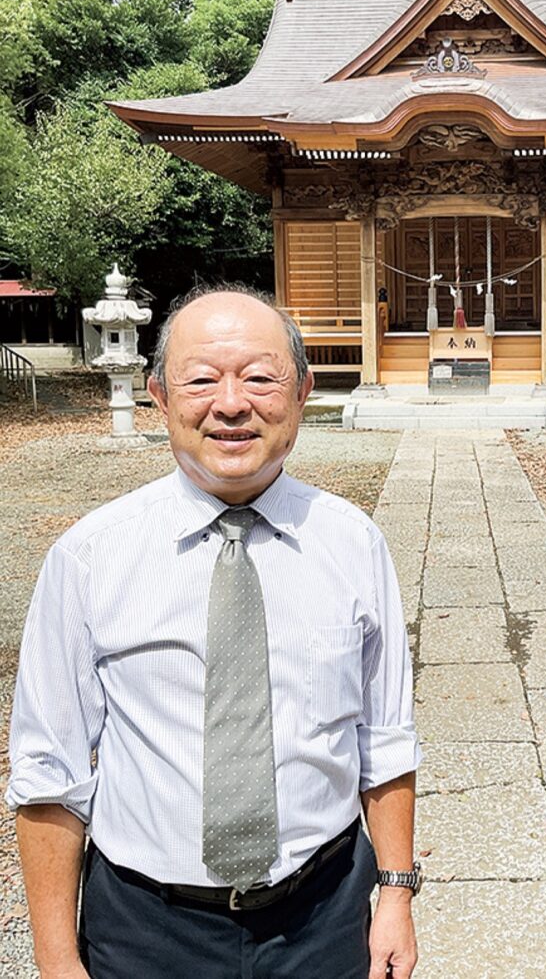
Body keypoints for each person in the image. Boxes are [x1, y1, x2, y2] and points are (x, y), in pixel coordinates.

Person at [7, 287, 422, 979]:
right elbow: (49, 770)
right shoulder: (89, 557)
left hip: (322, 915)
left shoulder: (353, 543)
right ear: (161, 399)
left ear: (302, 394)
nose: (232, 403)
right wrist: (56, 959)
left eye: (260, 378)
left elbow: (384, 737)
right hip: (146, 926)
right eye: (201, 380)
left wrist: (396, 892)